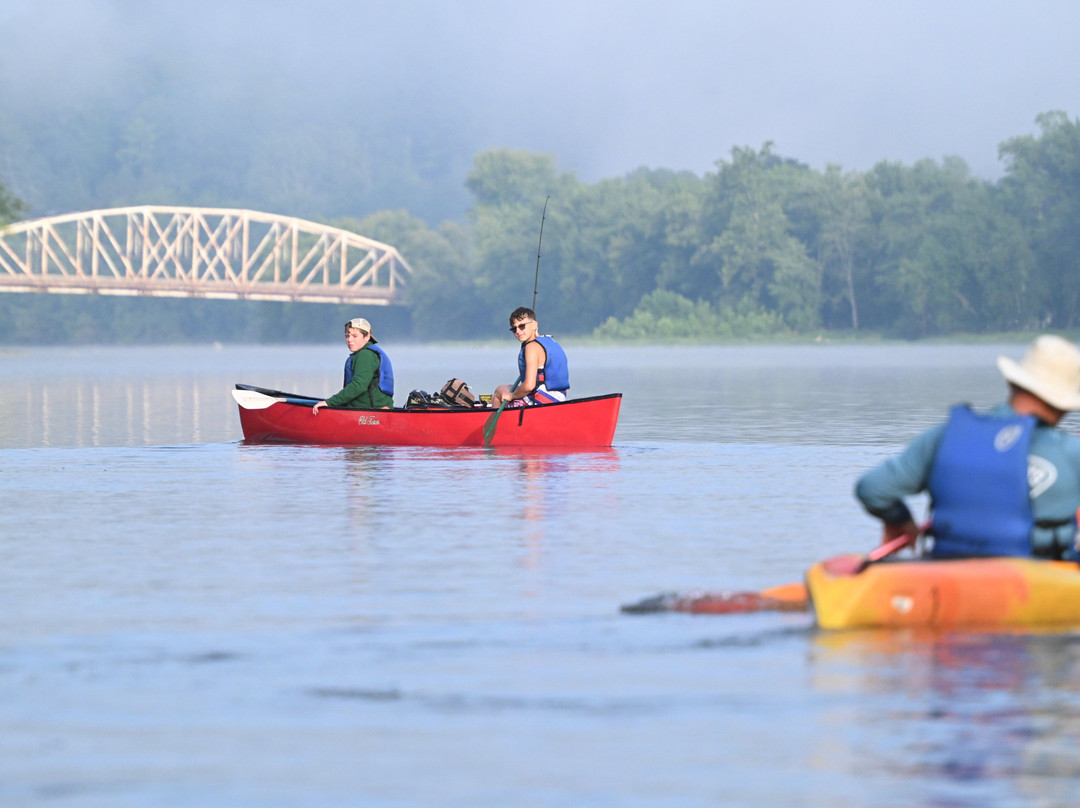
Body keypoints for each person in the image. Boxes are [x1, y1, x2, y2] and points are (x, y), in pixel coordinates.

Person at [855, 334, 1080, 560]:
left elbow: (872, 489)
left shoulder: (944, 436)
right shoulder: (1073, 453)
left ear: (1012, 382)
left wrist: (899, 519)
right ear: (1067, 405)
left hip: (951, 575)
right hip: (1039, 582)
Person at [491, 306, 570, 407]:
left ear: (534, 325)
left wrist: (512, 396)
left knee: (499, 391)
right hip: (559, 398)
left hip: (541, 401)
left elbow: (529, 386)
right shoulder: (550, 341)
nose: (518, 331)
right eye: (514, 329)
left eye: (522, 326)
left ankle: (493, 423)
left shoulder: (531, 347)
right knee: (508, 388)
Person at [313, 317, 394, 413]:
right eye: (347, 336)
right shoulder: (364, 353)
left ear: (367, 337)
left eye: (355, 336)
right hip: (365, 408)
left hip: (371, 412)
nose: (349, 340)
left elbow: (358, 385)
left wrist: (329, 403)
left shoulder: (365, 355)